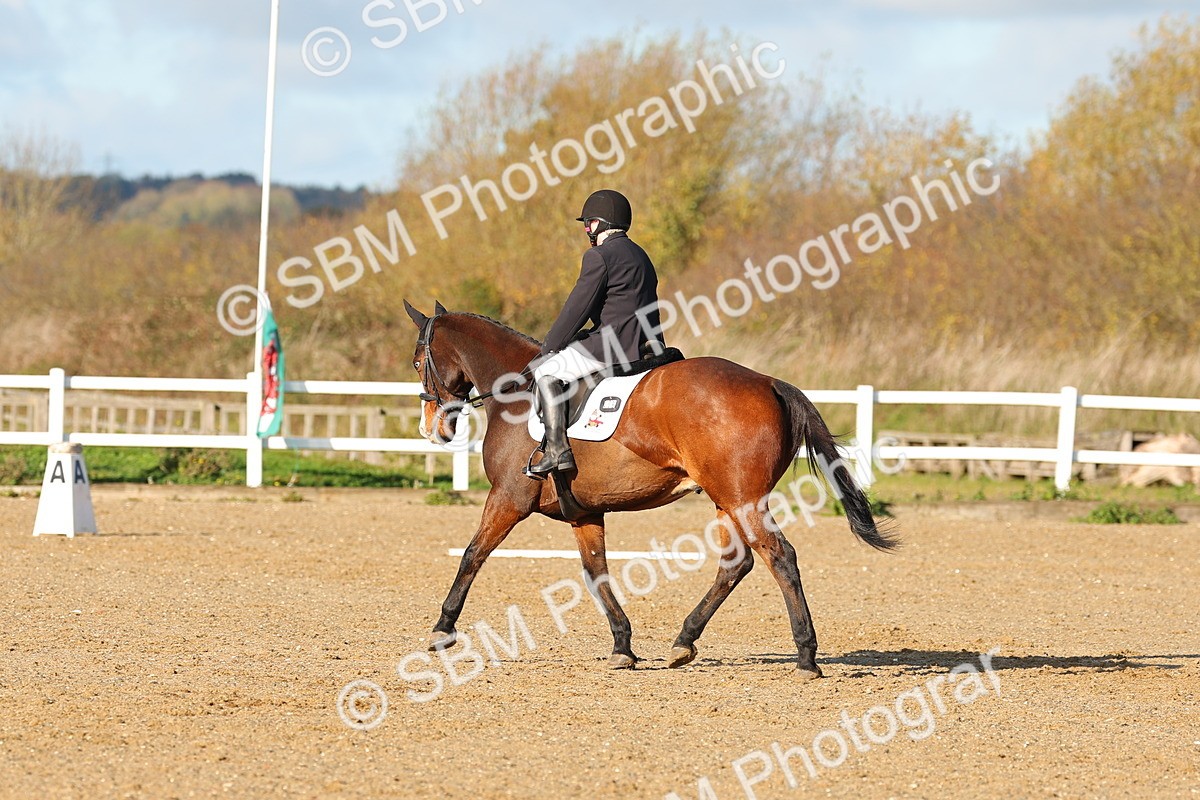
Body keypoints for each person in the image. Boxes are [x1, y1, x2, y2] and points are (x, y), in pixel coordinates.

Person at [524, 189, 665, 479]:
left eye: (588, 224)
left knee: (547, 372)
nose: (586, 230)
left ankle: (557, 450)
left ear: (600, 224)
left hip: (609, 347)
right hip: (644, 345)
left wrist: (550, 347)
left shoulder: (599, 256)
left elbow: (577, 309)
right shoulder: (642, 256)